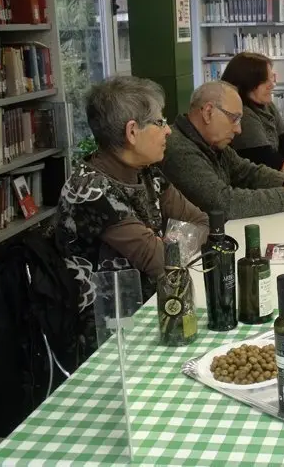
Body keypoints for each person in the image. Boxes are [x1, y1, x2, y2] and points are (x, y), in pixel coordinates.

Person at [56, 76, 209, 362]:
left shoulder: (146, 172)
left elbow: (200, 221)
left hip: (154, 309)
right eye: (160, 123)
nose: (169, 132)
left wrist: (170, 247)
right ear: (132, 132)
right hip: (110, 339)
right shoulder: (90, 190)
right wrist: (172, 249)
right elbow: (162, 262)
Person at [160, 80, 284, 219]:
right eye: (234, 119)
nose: (238, 129)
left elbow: (247, 172)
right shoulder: (179, 149)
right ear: (208, 112)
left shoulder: (211, 143)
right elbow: (222, 203)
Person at [222, 52, 284, 173]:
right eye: (264, 81)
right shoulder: (242, 113)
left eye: (271, 78)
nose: (272, 85)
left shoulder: (267, 105)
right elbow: (266, 160)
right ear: (247, 83)